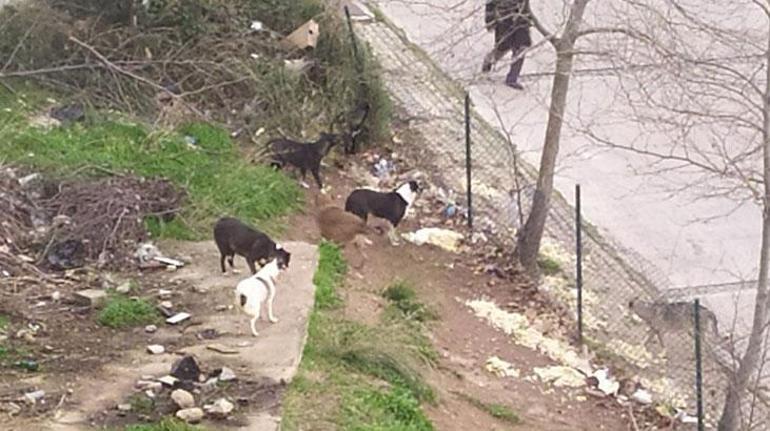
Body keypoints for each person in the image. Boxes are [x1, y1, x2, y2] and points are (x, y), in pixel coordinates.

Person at [482, 0, 532, 90]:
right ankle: (489, 60)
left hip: (521, 21)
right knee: (503, 46)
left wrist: (528, 16)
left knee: (522, 47)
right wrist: (489, 20)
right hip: (504, 19)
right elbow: (490, 3)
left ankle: (512, 78)